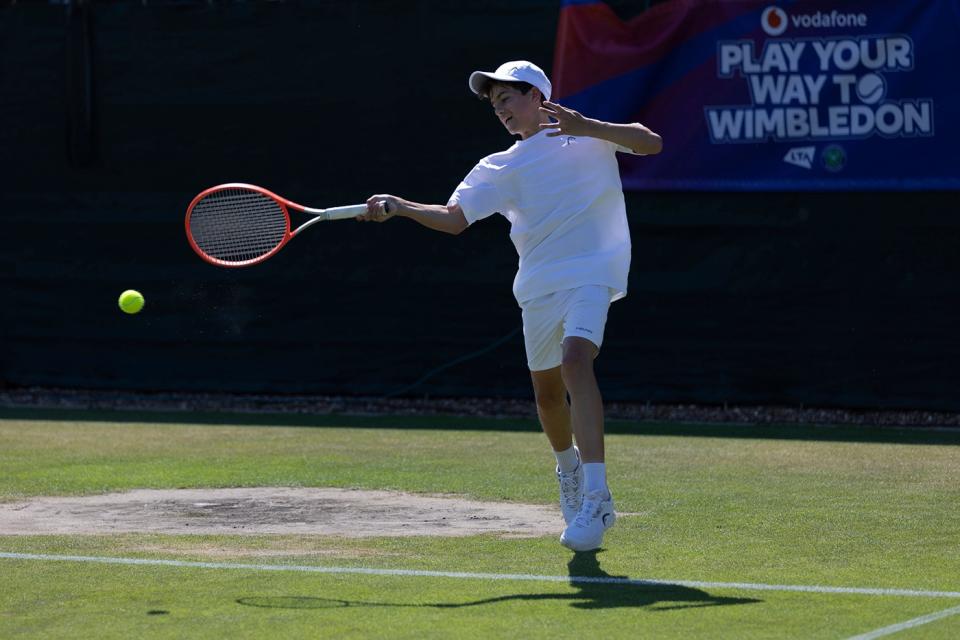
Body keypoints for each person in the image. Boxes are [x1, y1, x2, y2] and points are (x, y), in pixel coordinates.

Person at [359, 60, 662, 551]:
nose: (500, 109)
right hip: (538, 284)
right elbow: (455, 219)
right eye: (495, 103)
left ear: (537, 96)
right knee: (546, 396)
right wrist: (402, 206)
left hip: (593, 271)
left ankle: (597, 495)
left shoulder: (588, 133)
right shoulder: (496, 166)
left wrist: (588, 126)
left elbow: (651, 142)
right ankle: (569, 471)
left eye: (507, 98)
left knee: (575, 362)